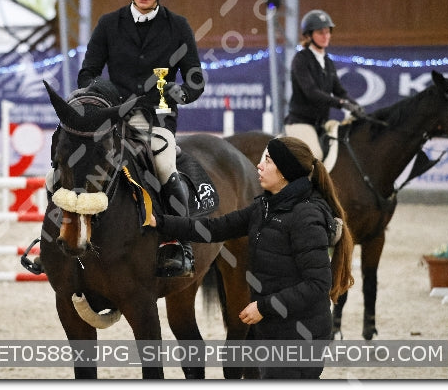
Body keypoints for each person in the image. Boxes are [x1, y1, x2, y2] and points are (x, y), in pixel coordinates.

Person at [150, 136, 354, 379]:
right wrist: (160, 221)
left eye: (267, 161)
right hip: (272, 328)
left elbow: (318, 285)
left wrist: (262, 307)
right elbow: (214, 228)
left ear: (284, 172)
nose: (258, 165)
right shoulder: (264, 207)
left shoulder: (307, 217)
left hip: (300, 334)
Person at [77, 0, 205, 278]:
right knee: (68, 166)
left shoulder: (178, 27)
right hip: (113, 116)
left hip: (156, 118)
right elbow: (87, 74)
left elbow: (196, 79)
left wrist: (182, 92)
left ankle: (180, 245)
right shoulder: (109, 24)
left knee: (164, 168)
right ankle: (55, 239)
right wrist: (106, 97)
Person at [284, 9, 364, 160]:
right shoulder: (300, 60)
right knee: (315, 156)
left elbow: (340, 91)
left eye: (328, 32)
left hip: (321, 124)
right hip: (300, 122)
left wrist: (356, 106)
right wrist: (342, 104)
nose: (326, 36)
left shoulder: (328, 62)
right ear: (308, 35)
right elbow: (311, 92)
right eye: (320, 32)